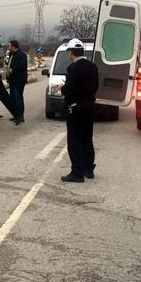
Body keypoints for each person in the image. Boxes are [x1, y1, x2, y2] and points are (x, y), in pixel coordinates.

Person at [58, 39, 99, 183]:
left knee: (74, 141)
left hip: (76, 108)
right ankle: (89, 168)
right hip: (90, 107)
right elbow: (95, 86)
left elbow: (69, 90)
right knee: (87, 138)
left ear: (71, 53)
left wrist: (62, 88)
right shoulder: (93, 67)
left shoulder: (73, 68)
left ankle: (77, 172)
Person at [6, 40, 28, 123]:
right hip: (12, 80)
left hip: (18, 81)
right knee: (14, 99)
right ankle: (16, 115)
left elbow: (22, 65)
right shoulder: (12, 55)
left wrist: (12, 70)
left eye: (9, 46)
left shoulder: (21, 55)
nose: (8, 48)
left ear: (13, 47)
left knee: (18, 98)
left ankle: (20, 117)